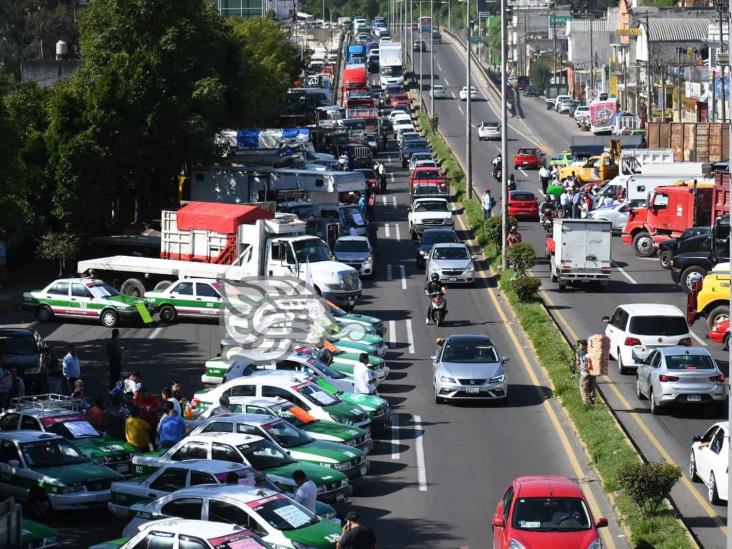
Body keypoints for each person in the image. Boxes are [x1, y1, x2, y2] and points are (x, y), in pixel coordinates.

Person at [578, 339, 596, 405]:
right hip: (593, 372)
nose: (579, 346)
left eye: (580, 345)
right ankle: (593, 399)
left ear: (585, 346)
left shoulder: (581, 353)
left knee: (582, 386)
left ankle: (586, 401)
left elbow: (579, 363)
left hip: (585, 373)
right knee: (592, 386)